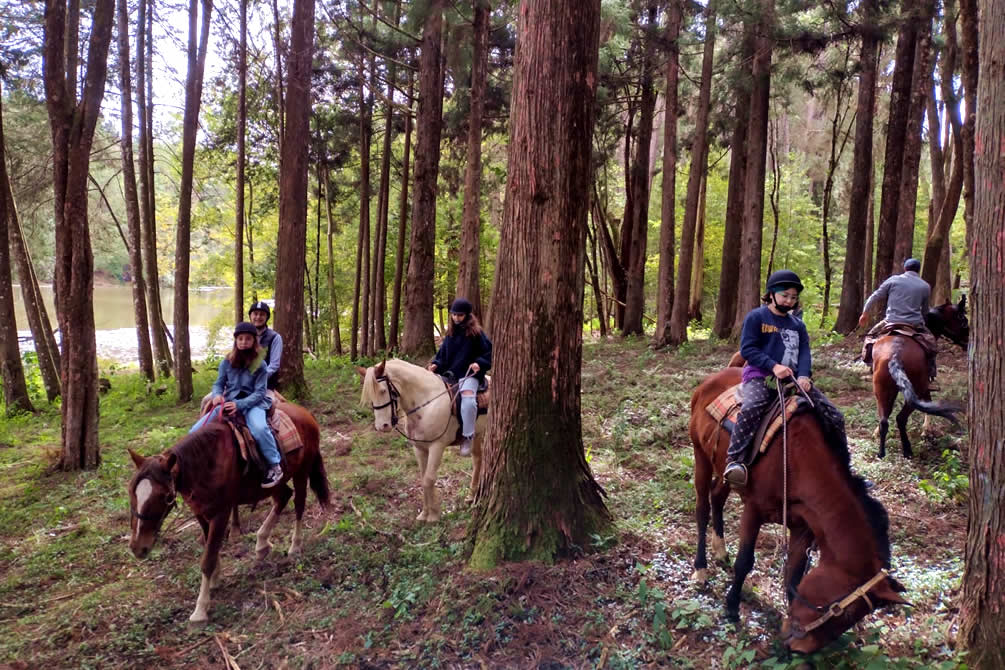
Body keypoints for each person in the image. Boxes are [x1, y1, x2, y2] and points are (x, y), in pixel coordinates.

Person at [723, 270, 847, 487]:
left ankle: (843, 468)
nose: (789, 300)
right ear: (771, 294)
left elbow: (805, 352)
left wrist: (804, 375)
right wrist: (773, 366)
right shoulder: (756, 317)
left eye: (793, 297)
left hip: (792, 380)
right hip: (761, 377)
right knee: (752, 407)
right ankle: (735, 461)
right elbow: (748, 349)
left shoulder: (797, 324)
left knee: (834, 416)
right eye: (785, 295)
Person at [192, 322, 283, 488]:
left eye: (247, 339)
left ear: (254, 341)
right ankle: (195, 464)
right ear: (236, 341)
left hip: (253, 403)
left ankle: (275, 465)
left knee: (260, 429)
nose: (243, 342)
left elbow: (259, 392)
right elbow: (219, 383)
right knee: (195, 431)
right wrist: (217, 395)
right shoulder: (227, 362)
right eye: (240, 339)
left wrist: (239, 405)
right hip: (229, 401)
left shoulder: (259, 364)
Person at [427, 298, 492, 457]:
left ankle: (467, 436)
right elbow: (443, 354)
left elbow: (488, 352)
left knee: (469, 402)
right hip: (449, 374)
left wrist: (479, 363)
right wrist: (436, 364)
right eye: (454, 314)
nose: (456, 318)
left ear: (467, 315)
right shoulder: (451, 333)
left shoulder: (477, 333)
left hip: (468, 374)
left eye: (460, 315)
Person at [858, 258, 938, 380]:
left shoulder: (893, 280)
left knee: (869, 337)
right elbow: (925, 311)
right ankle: (931, 371)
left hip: (891, 321)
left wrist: (865, 312)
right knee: (931, 344)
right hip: (914, 323)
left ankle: (870, 364)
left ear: (905, 269)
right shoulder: (925, 286)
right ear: (918, 269)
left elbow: (875, 296)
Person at [249, 301, 283, 390]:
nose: (258, 317)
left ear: (266, 317)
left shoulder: (275, 337)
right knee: (208, 399)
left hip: (265, 384)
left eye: (262, 314)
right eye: (255, 314)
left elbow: (274, 365)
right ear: (250, 316)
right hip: (242, 382)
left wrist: (258, 378)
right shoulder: (244, 336)